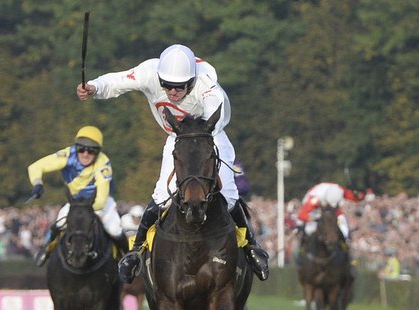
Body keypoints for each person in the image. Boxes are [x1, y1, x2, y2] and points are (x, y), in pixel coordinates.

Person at [77, 44, 269, 282]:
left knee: (228, 195)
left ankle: (251, 246)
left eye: (179, 87)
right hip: (177, 138)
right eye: (166, 85)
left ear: (191, 81)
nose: (172, 91)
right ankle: (136, 251)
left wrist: (200, 144)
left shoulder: (207, 87)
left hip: (210, 136)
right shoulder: (149, 72)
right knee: (161, 195)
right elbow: (117, 81)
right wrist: (94, 87)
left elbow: (215, 115)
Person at [28, 126, 127, 267]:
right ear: (76, 147)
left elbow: (101, 198)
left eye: (91, 150)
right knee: (59, 224)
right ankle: (46, 249)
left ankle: (127, 259)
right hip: (76, 203)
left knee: (114, 230)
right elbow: (36, 167)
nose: (85, 154)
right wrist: (37, 183)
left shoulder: (103, 163)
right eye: (81, 149)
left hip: (100, 204)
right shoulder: (68, 155)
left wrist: (86, 210)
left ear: (98, 152)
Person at [297, 182, 364, 245]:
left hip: (331, 208)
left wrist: (359, 196)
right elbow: (301, 215)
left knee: (342, 221)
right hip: (315, 210)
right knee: (310, 229)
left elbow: (353, 196)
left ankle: (345, 242)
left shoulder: (339, 190)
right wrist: (316, 219)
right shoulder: (314, 200)